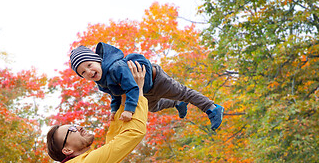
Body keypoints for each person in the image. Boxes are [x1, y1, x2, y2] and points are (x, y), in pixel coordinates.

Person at [47, 61, 147, 163]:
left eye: (74, 124)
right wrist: (138, 92)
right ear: (67, 150)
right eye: (71, 130)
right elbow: (133, 134)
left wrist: (123, 101)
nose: (78, 127)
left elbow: (114, 142)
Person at [70, 42, 224, 131]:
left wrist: (129, 110)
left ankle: (211, 107)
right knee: (153, 107)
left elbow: (131, 88)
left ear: (98, 60)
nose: (89, 71)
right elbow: (116, 94)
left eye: (89, 65)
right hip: (144, 91)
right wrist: (114, 110)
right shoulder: (101, 82)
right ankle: (177, 103)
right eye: (83, 72)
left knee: (183, 92)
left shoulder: (116, 67)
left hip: (156, 80)